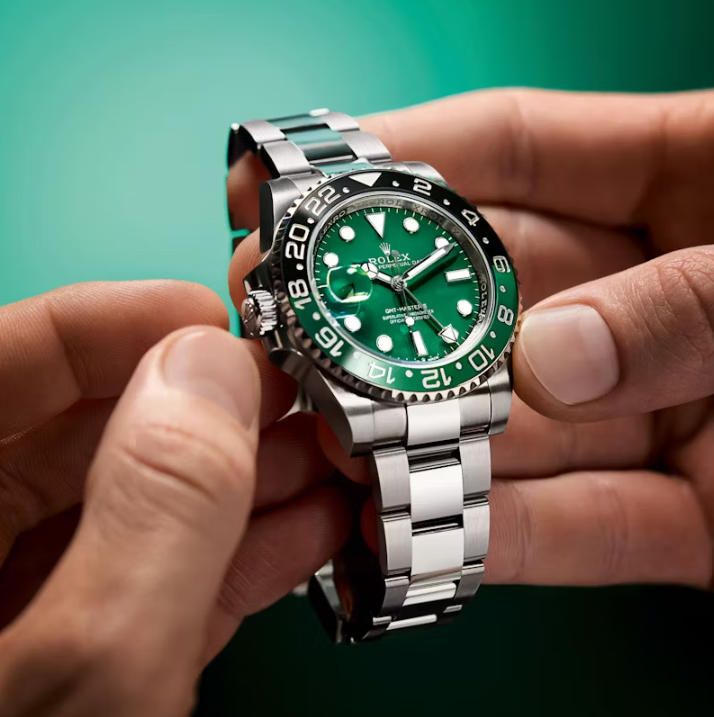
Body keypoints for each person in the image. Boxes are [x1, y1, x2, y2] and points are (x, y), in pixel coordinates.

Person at [0, 89, 711, 715]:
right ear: (273, 316)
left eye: (408, 279)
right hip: (390, 374)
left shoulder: (429, 215)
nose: (400, 287)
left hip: (451, 374)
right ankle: (391, 589)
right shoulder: (290, 301)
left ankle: (406, 582)